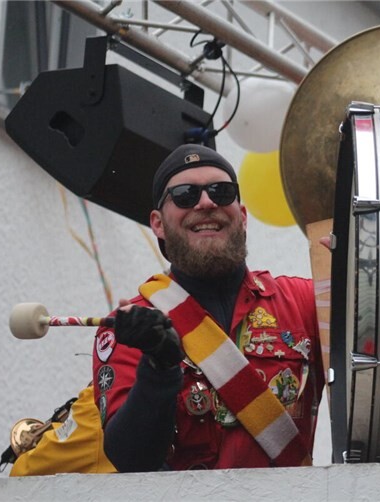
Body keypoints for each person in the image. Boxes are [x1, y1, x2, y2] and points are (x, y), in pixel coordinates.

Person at [92, 144, 324, 472]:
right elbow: (130, 460)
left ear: (242, 216)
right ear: (158, 223)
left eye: (221, 191)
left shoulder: (304, 302)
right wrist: (158, 368)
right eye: (185, 195)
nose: (206, 202)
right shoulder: (131, 326)